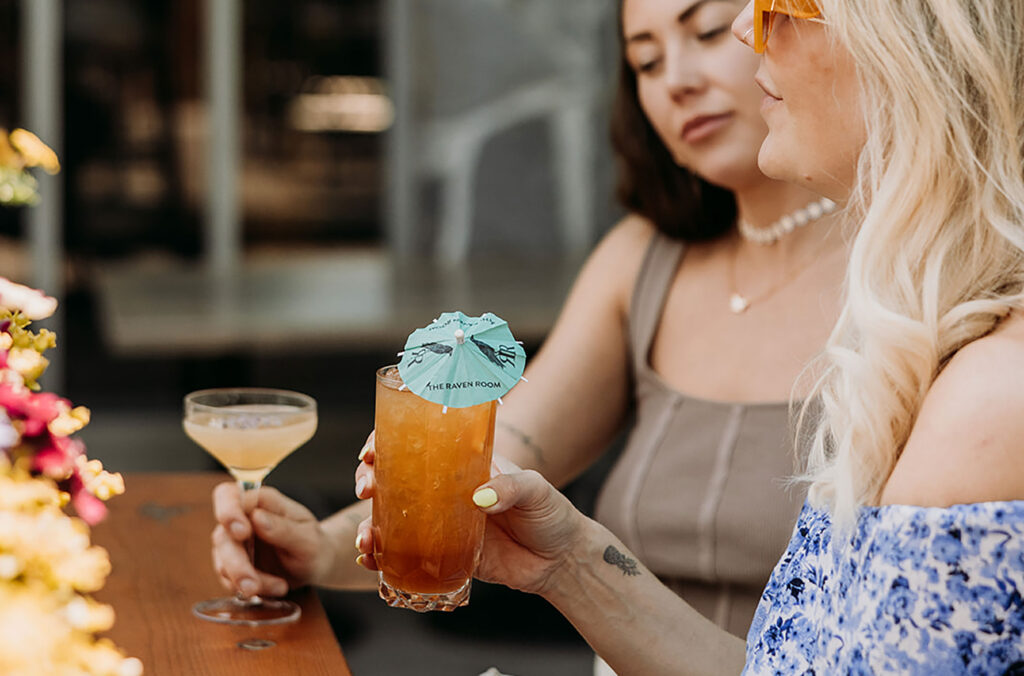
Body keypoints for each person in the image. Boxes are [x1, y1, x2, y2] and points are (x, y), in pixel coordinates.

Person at [352, 0, 1024, 672]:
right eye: (644, 60)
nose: (746, 29)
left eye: (779, 5)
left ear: (911, 43)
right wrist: (566, 562)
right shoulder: (918, 333)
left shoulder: (988, 396)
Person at [210, 0, 849, 644]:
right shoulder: (642, 259)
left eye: (709, 32)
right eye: (645, 62)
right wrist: (317, 545)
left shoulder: (907, 275)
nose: (676, 81)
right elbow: (507, 450)